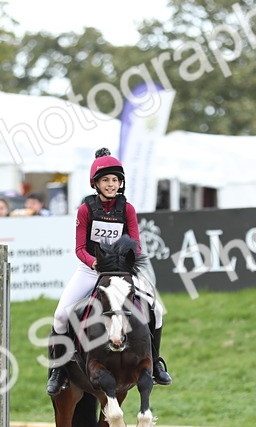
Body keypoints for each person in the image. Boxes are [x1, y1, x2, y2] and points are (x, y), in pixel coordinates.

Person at [45, 148, 171, 395]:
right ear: (96, 183)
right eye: (106, 180)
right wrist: (96, 263)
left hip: (122, 272)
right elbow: (80, 248)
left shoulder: (128, 209)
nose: (111, 184)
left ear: (120, 183)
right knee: (61, 315)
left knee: (157, 309)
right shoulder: (86, 209)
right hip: (91, 270)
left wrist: (123, 265)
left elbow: (135, 244)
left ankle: (155, 363)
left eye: (115, 180)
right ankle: (59, 369)